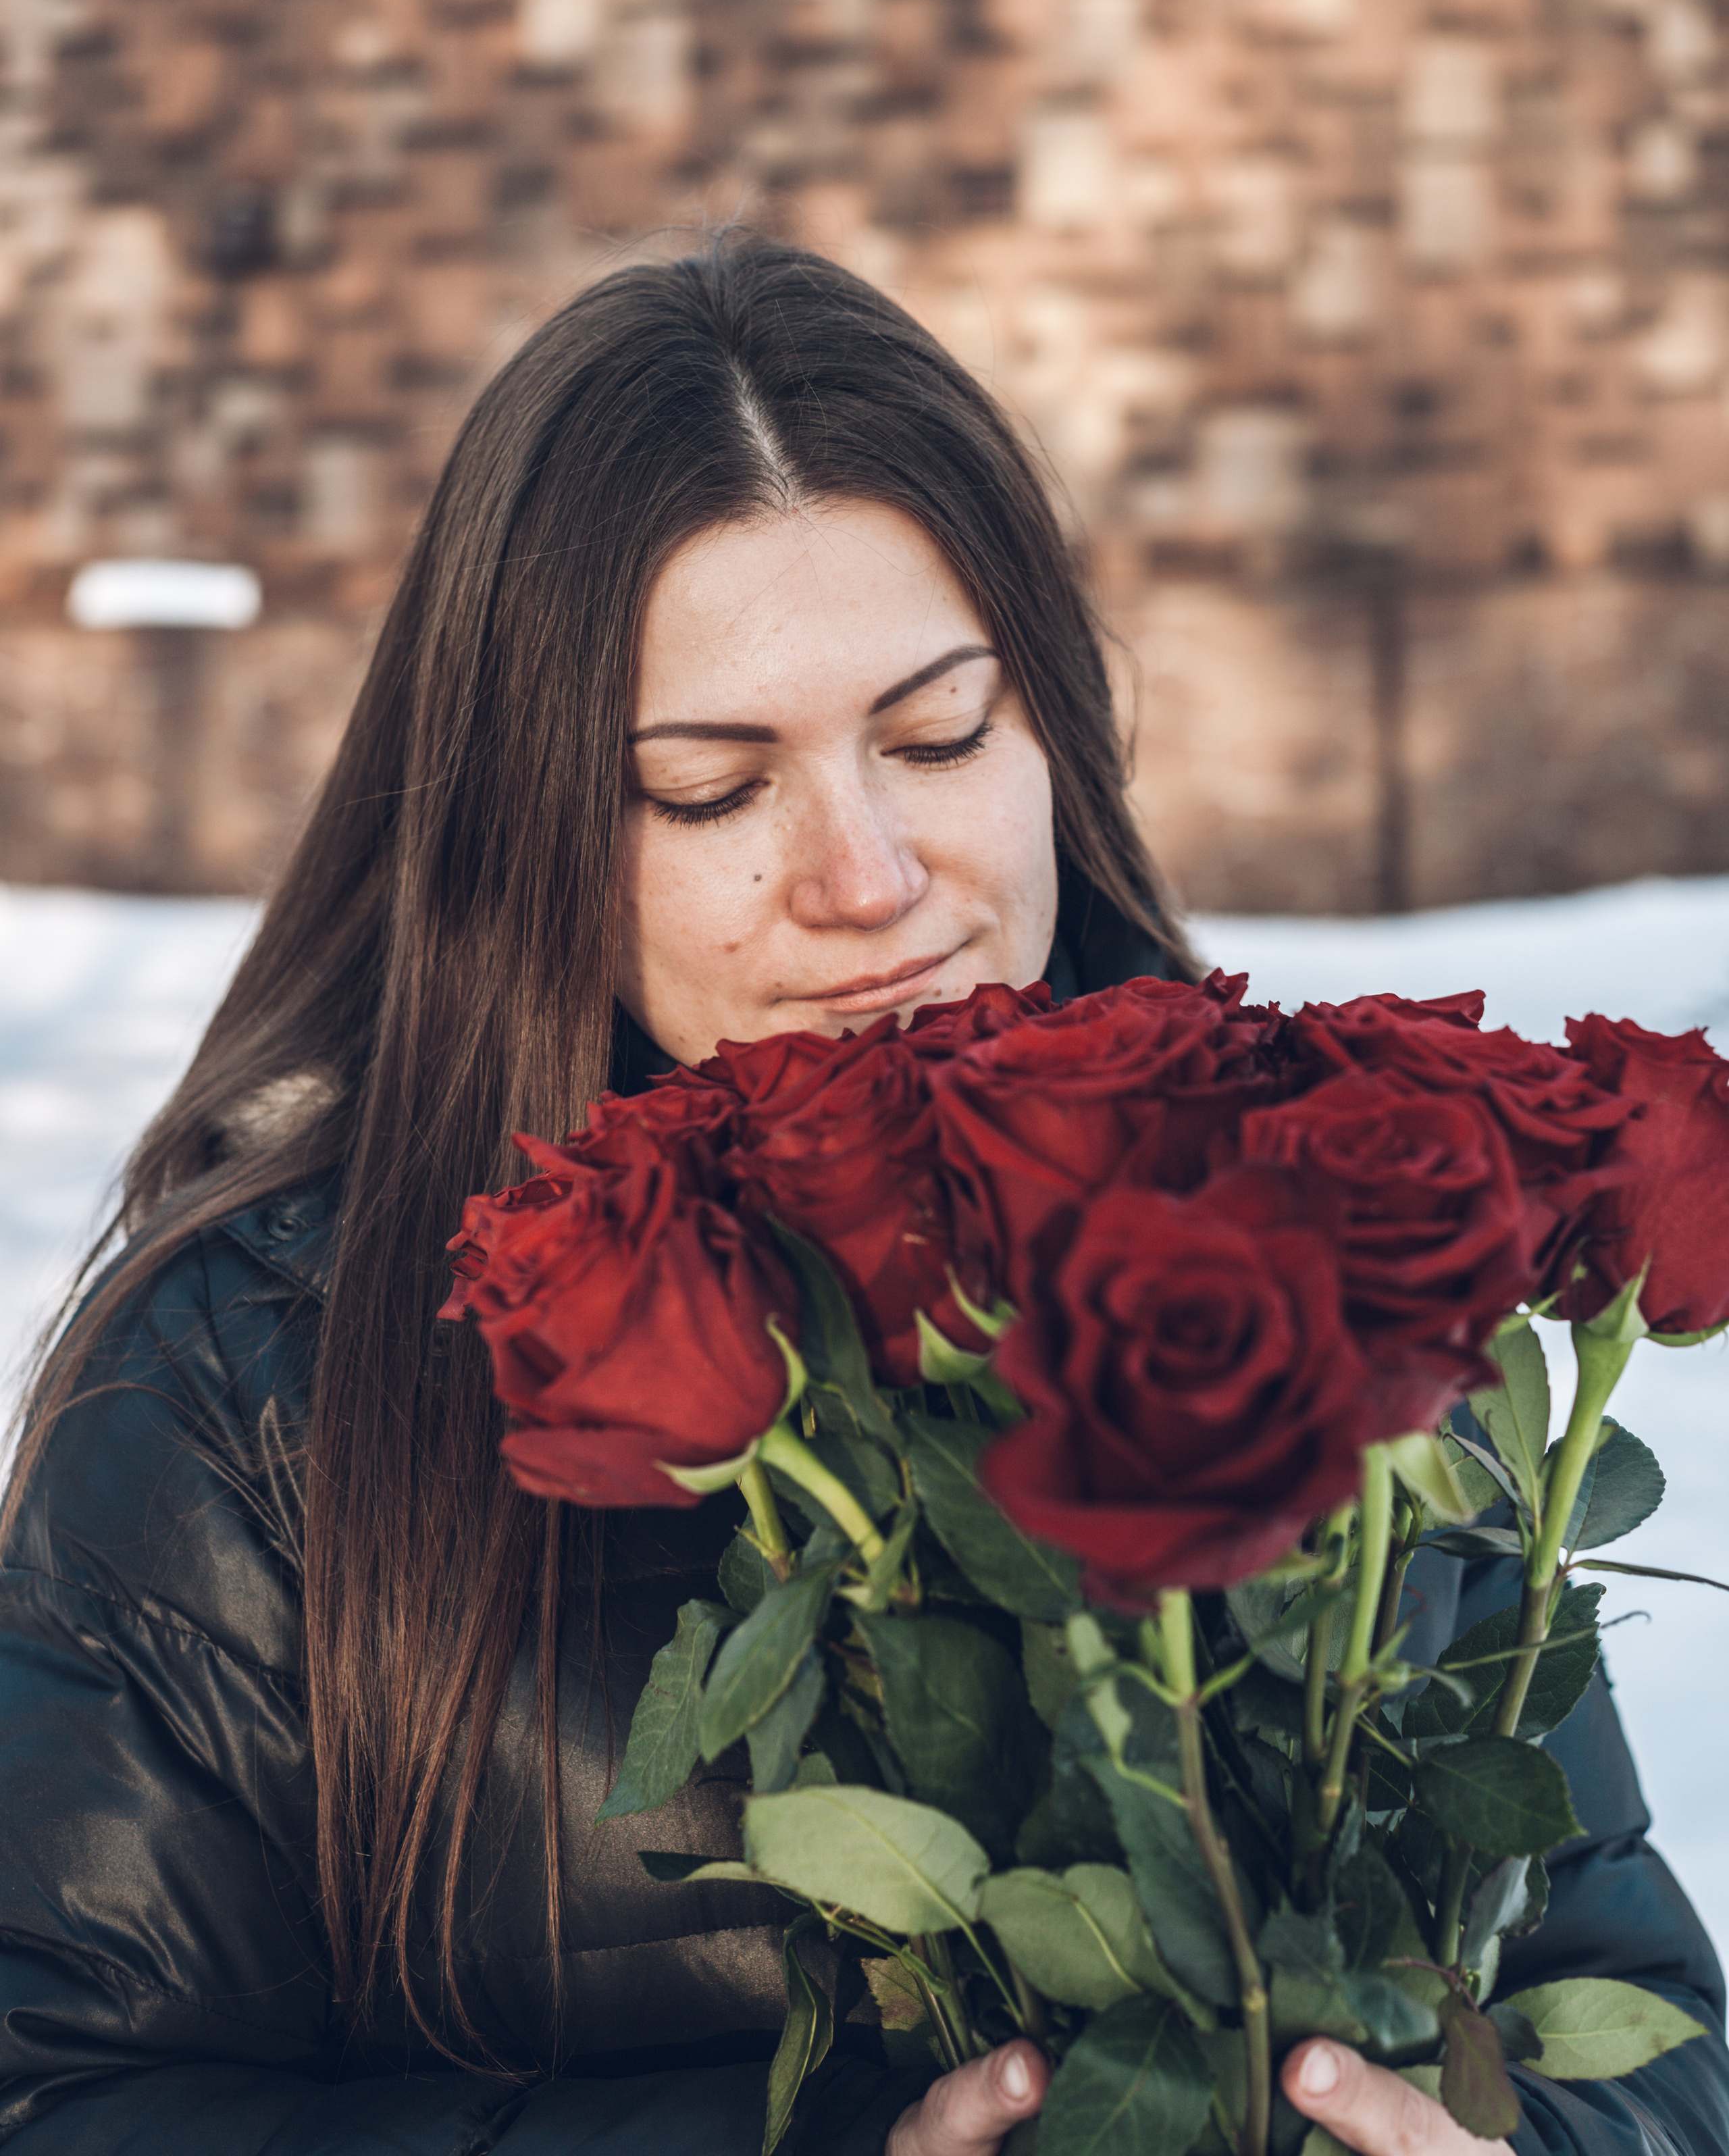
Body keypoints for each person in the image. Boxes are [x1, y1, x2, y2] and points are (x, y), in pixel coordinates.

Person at [0, 234, 1720, 2156]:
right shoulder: (241, 1386)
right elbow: (66, 2102)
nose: (871, 879)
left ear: (1053, 726)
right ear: (529, 828)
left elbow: (1651, 2040)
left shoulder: (1320, 1228)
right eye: (713, 788)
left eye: (938, 735)